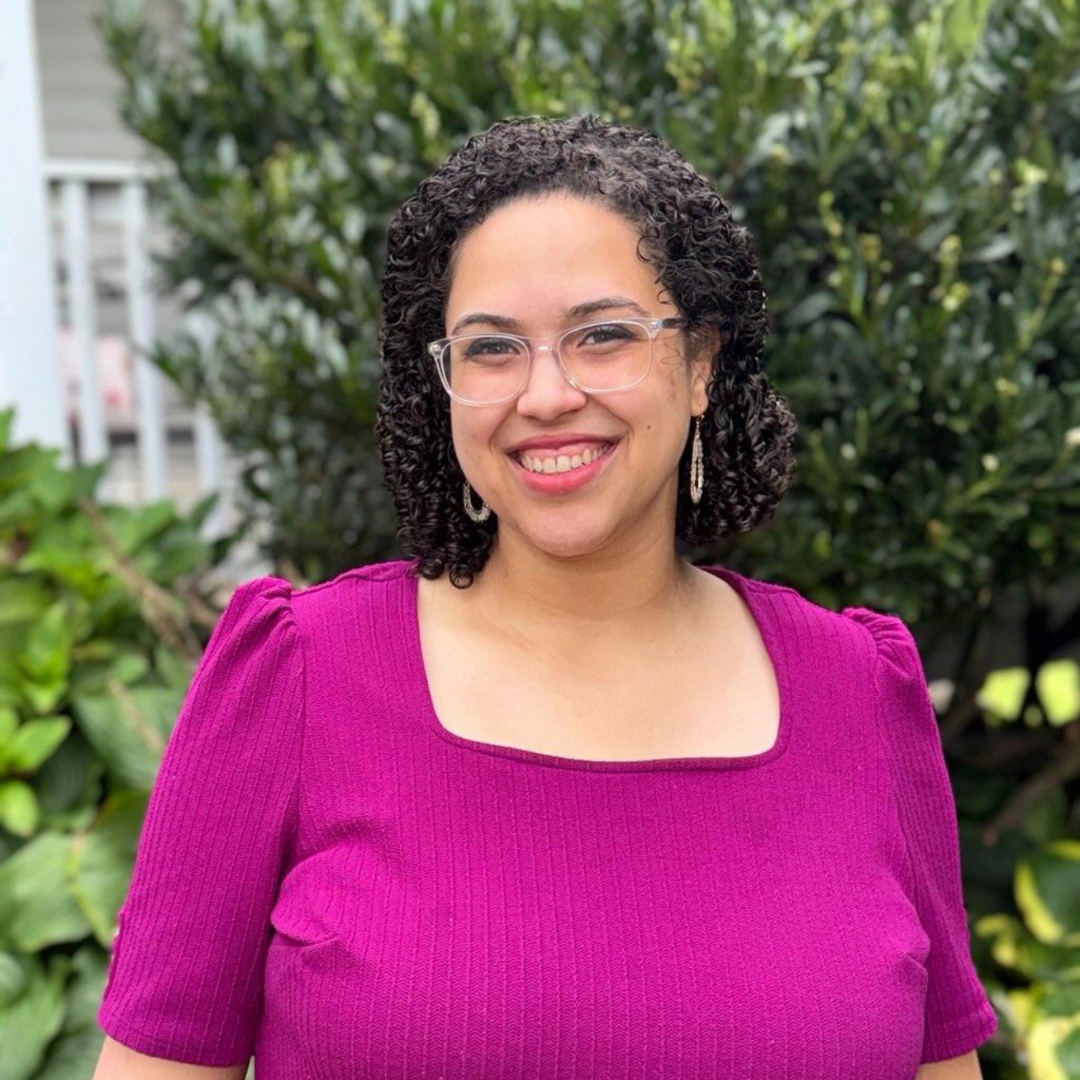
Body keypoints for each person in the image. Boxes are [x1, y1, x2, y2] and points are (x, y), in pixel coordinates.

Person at [94, 114, 997, 1079]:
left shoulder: (858, 690)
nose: (547, 394)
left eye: (602, 335)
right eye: (491, 350)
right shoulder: (300, 674)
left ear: (699, 365)